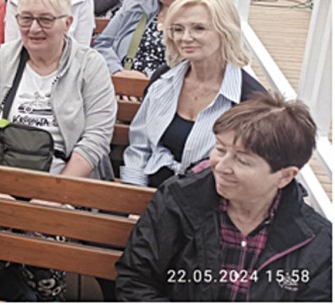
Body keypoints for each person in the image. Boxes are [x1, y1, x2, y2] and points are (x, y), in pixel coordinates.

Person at [0, 0, 115, 301]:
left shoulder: (90, 66)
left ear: (68, 23)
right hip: (5, 179)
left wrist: (56, 195)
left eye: (46, 20)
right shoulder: (2, 61)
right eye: (26, 18)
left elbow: (96, 138)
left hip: (63, 183)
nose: (34, 28)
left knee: (42, 249)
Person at [116, 93, 332, 301]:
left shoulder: (317, 241)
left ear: (285, 176)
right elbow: (136, 281)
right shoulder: (178, 200)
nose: (221, 166)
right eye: (219, 149)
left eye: (243, 161)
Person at [121, 0, 267, 188]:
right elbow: (140, 146)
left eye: (198, 28)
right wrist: (132, 195)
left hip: (212, 203)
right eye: (178, 29)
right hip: (150, 195)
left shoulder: (251, 101)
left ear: (224, 31)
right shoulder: (163, 79)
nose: (186, 38)